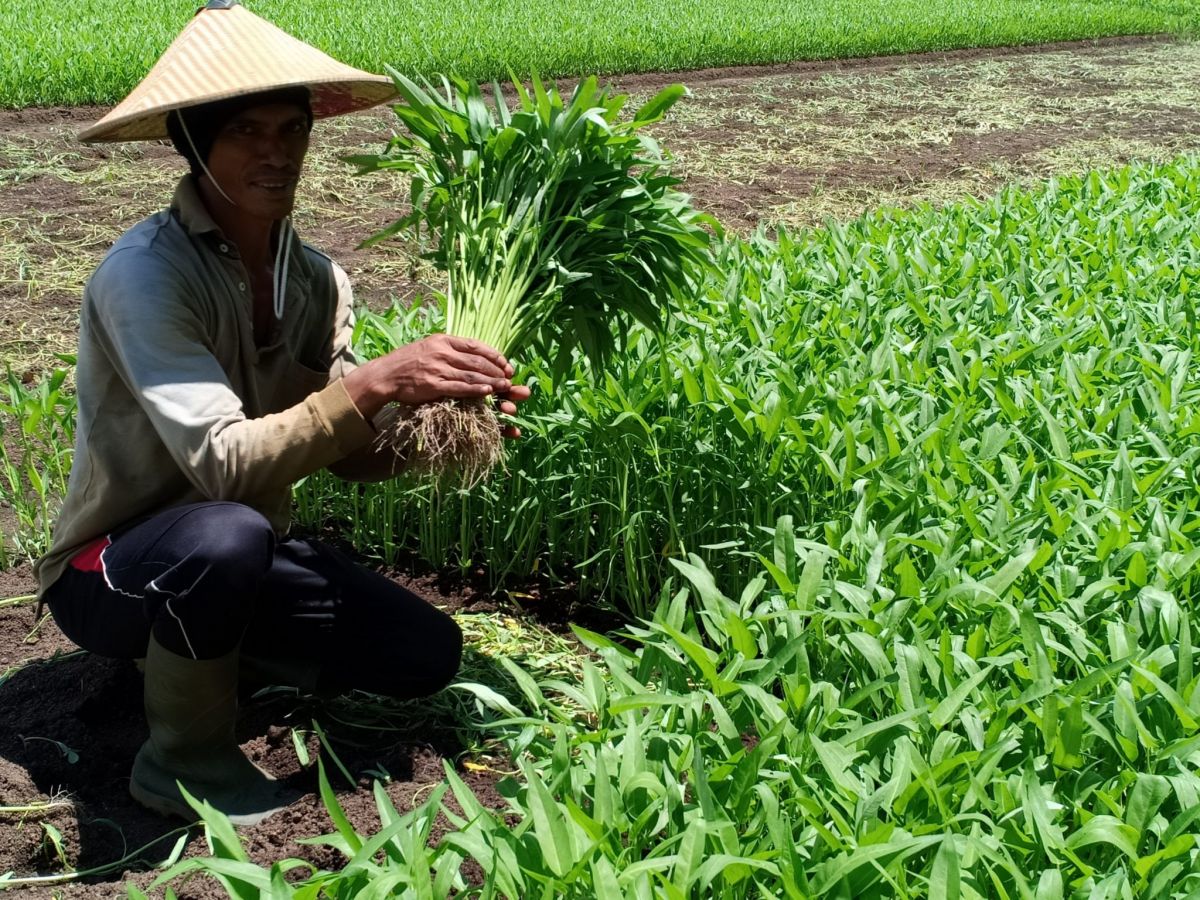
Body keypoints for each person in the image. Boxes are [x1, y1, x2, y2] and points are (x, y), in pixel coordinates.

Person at [32, 0, 530, 826]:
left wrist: (430, 427)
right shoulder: (144, 276)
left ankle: (215, 657)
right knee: (223, 532)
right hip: (113, 568)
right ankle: (181, 765)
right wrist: (376, 382)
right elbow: (224, 469)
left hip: (243, 556)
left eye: (292, 130)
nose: (277, 153)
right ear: (194, 144)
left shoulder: (316, 278)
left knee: (422, 654)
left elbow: (344, 453)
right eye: (247, 133)